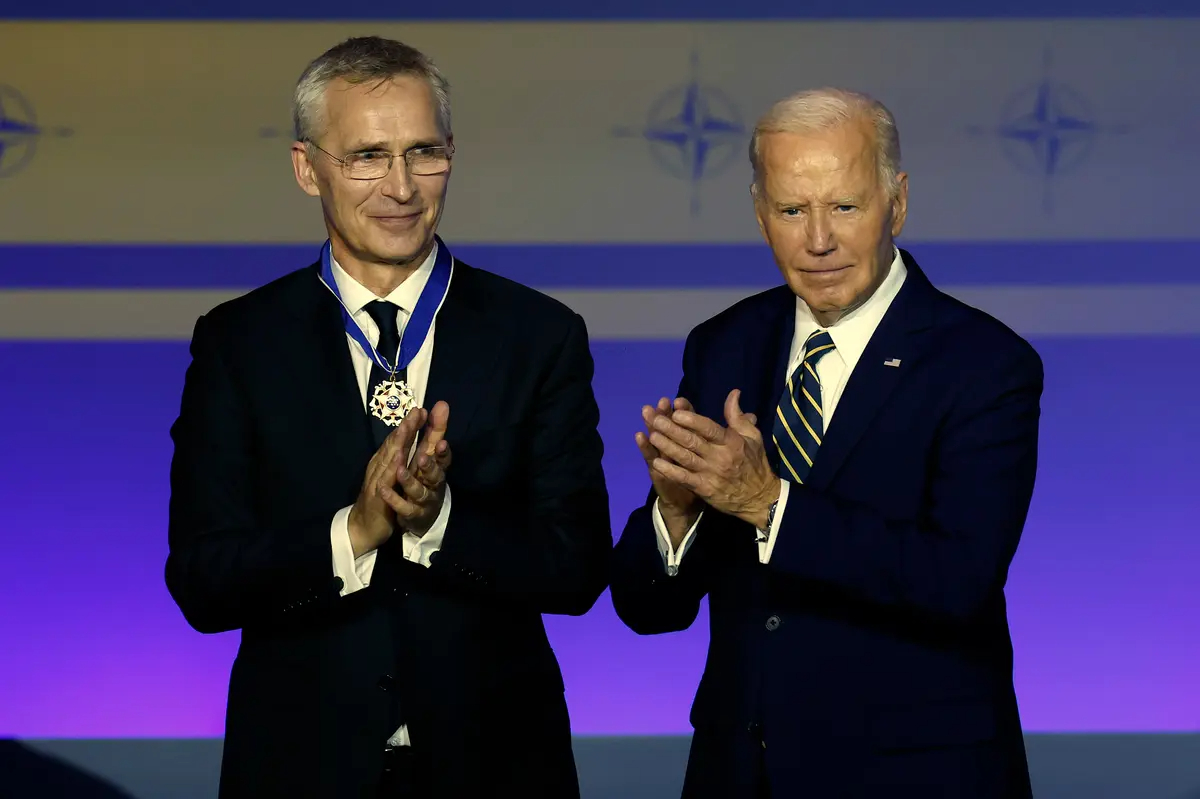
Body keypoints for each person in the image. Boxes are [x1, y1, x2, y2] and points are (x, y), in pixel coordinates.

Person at [165, 36, 611, 798]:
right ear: (309, 169)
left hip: (497, 768)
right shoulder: (240, 342)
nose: (402, 186)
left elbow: (575, 568)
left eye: (424, 152)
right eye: (368, 156)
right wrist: (356, 531)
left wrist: (436, 522)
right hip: (303, 770)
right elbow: (204, 581)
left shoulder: (538, 334)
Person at [609, 88, 1042, 798]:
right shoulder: (725, 344)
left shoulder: (985, 364)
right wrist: (677, 513)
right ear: (760, 215)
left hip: (914, 776)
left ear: (896, 203)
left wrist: (768, 503)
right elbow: (650, 611)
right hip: (741, 771)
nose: (817, 239)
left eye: (844, 206)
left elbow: (957, 580)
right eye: (790, 210)